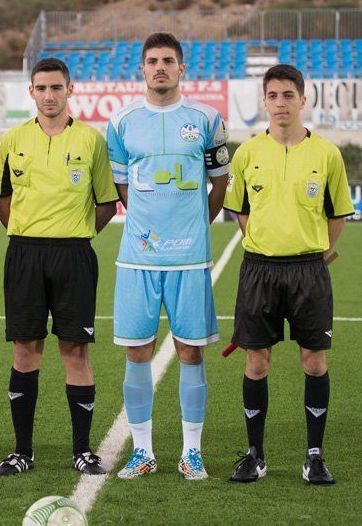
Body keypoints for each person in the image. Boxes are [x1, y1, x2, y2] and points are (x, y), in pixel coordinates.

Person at [223, 64, 354, 485]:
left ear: (303, 99)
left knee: (314, 362)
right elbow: (240, 211)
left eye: (288, 95)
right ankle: (255, 454)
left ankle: (314, 455)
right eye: (273, 95)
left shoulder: (327, 154)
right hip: (259, 269)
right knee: (256, 363)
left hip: (308, 272)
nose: (280, 103)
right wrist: (266, 243)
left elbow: (337, 217)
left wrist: (313, 252)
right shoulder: (246, 153)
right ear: (264, 101)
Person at [106, 33, 229, 480]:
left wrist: (195, 225)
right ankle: (143, 452)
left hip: (189, 259)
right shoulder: (120, 122)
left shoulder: (208, 118)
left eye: (168, 61)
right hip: (137, 259)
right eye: (153, 61)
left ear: (182, 68)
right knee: (137, 352)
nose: (160, 67)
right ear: (142, 68)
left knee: (190, 353)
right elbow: (123, 189)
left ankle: (191, 452)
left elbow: (219, 183)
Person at [0, 58, 119, 477]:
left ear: (69, 90)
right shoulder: (11, 140)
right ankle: (22, 451)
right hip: (24, 254)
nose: (49, 95)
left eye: (56, 88)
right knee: (26, 350)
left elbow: (104, 204)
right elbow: (1, 201)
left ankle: (82, 450)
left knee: (75, 350)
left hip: (74, 255)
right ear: (31, 91)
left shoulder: (91, 141)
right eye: (41, 88)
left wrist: (73, 233)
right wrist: (30, 233)